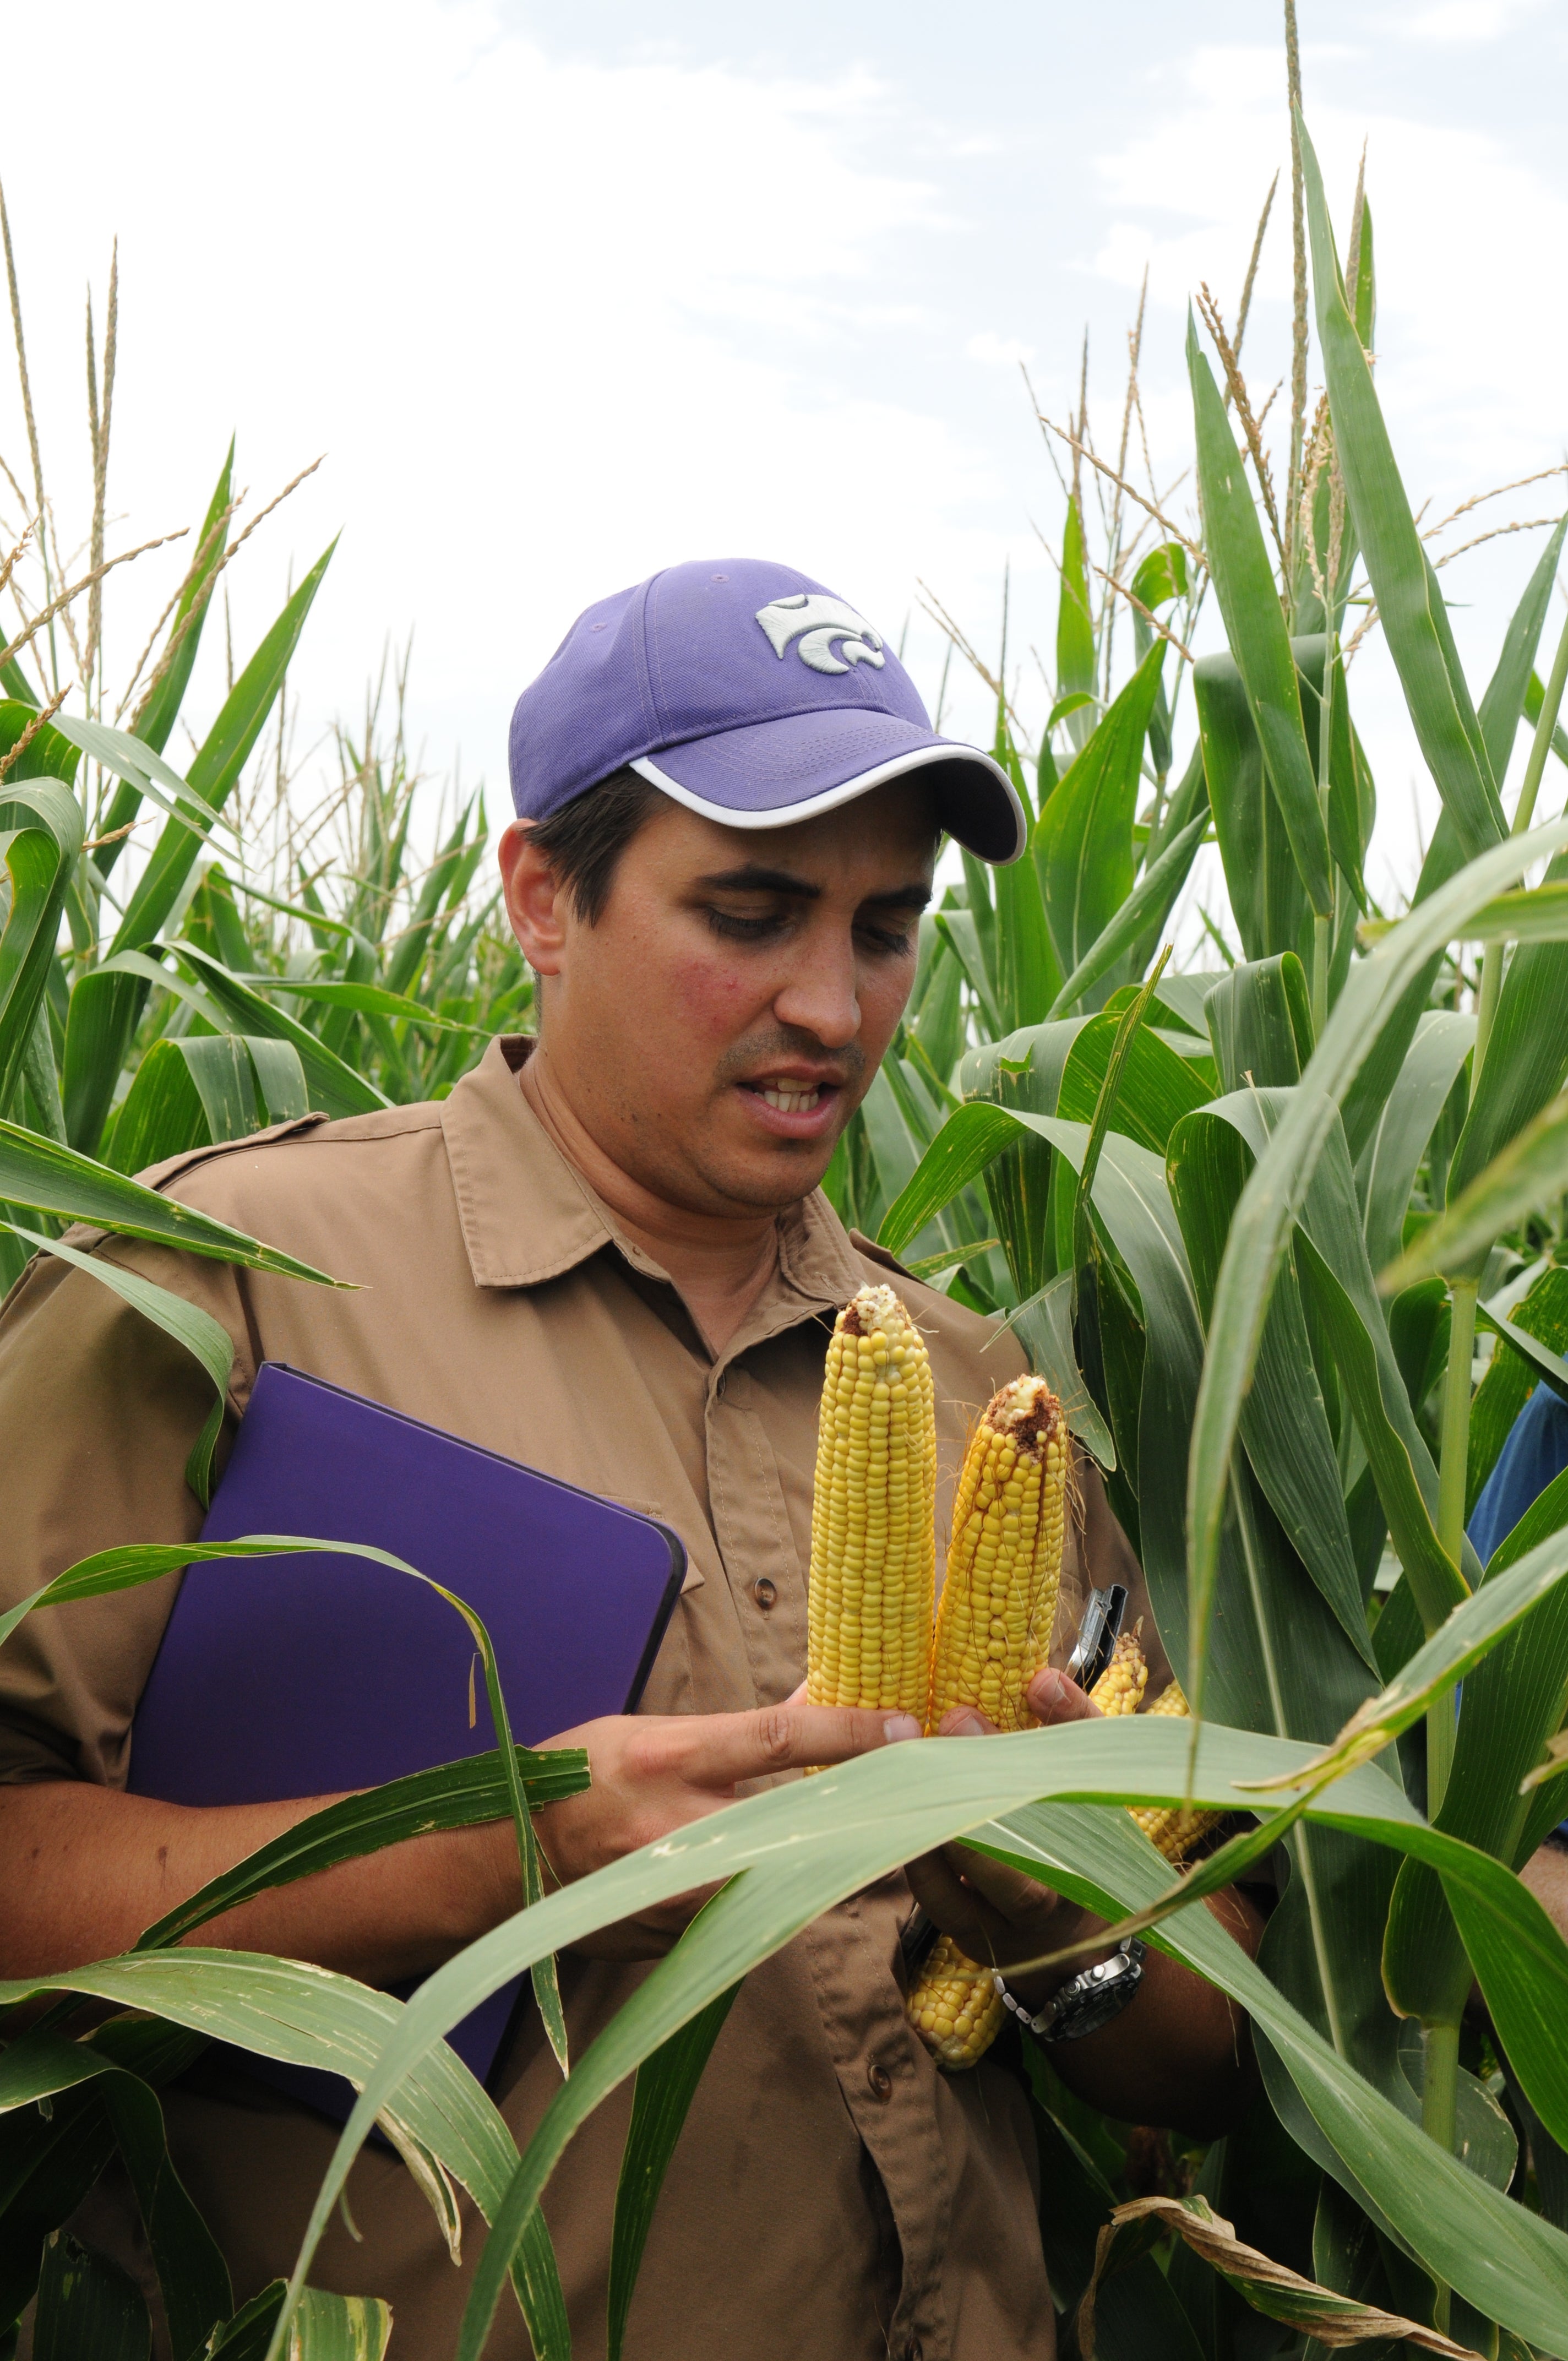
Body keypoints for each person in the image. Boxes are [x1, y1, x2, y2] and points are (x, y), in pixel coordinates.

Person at [0, 559, 1259, 2361]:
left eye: (886, 927)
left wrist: (1065, 1911)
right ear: (543, 897)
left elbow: (1215, 2060)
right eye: (750, 913)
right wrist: (488, 1852)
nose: (834, 1008)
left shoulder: (989, 1397)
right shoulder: (237, 1290)